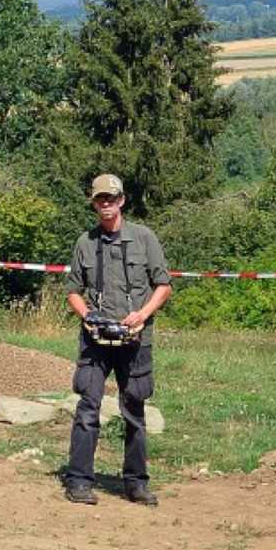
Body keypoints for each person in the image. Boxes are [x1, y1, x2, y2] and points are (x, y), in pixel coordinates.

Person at [63, 173, 172, 507]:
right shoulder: (85, 242)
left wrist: (142, 314)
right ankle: (79, 481)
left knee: (135, 411)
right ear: (94, 203)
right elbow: (72, 290)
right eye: (100, 199)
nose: (106, 204)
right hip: (96, 342)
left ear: (122, 200)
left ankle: (136, 483)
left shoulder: (144, 238)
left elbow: (163, 285)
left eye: (111, 198)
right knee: (87, 409)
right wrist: (87, 315)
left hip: (135, 340)